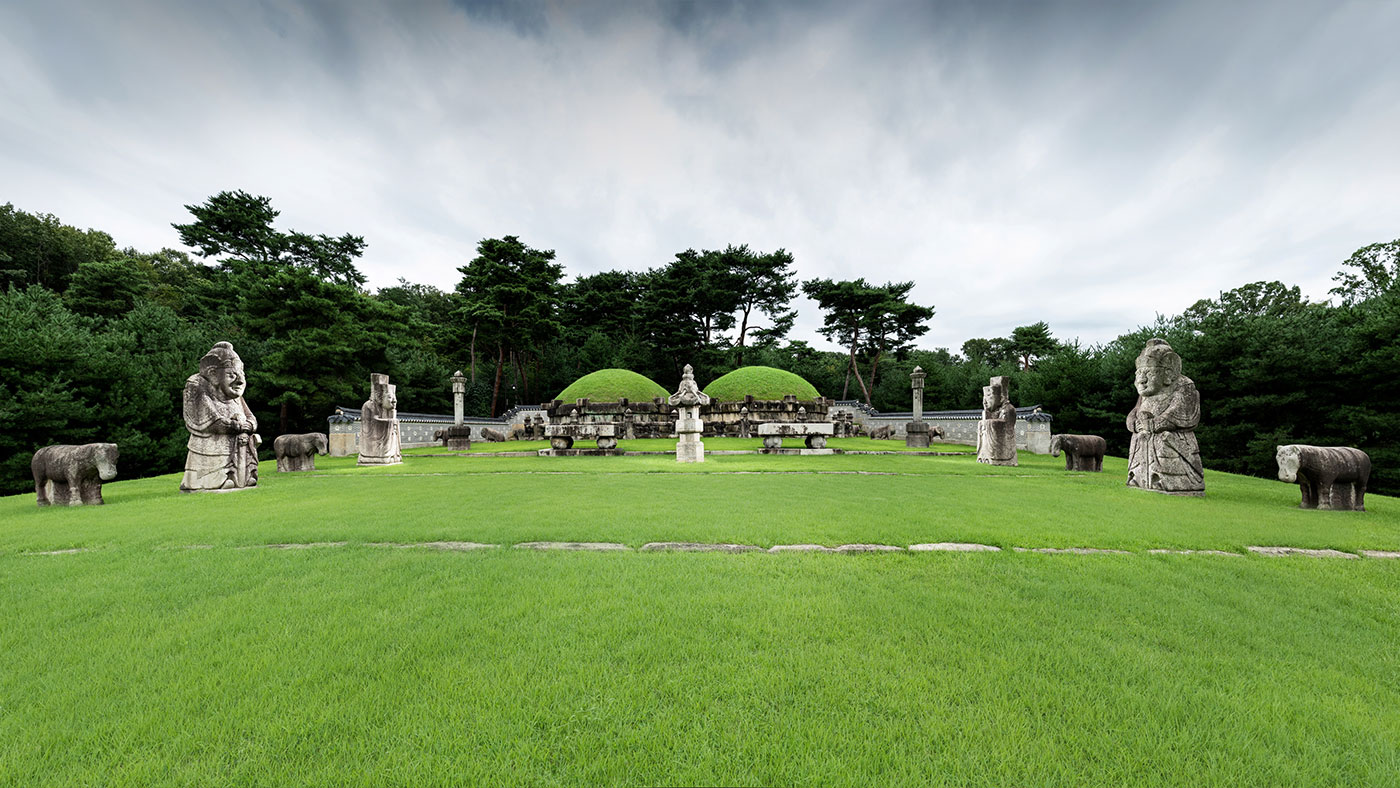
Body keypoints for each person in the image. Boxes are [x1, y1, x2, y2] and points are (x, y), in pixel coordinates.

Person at [1125, 338, 1204, 495]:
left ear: (1168, 373)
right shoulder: (1146, 395)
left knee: (1163, 439)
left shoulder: (1184, 385)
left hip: (1171, 439)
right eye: (1139, 373)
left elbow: (1181, 411)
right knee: (1137, 438)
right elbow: (1135, 411)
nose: (1142, 379)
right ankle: (1138, 476)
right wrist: (1134, 423)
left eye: (1149, 373)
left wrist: (1156, 424)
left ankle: (1167, 480)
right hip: (1144, 436)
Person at [180, 342, 261, 492]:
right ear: (213, 374)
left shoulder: (235, 395)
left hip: (239, 438)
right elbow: (207, 416)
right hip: (213, 439)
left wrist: (250, 424)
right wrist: (231, 425)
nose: (239, 380)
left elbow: (249, 414)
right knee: (218, 448)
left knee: (248, 445)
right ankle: (216, 479)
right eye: (231, 375)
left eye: (241, 375)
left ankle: (244, 476)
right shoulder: (197, 384)